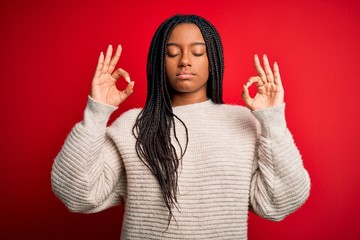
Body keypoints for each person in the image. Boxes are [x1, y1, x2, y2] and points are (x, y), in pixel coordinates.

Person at [51, 14, 310, 239]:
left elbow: (280, 202)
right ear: (158, 62)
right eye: (172, 52)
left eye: (197, 52)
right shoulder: (133, 125)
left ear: (213, 60)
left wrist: (272, 120)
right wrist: (97, 111)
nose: (185, 60)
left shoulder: (245, 122)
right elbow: (77, 194)